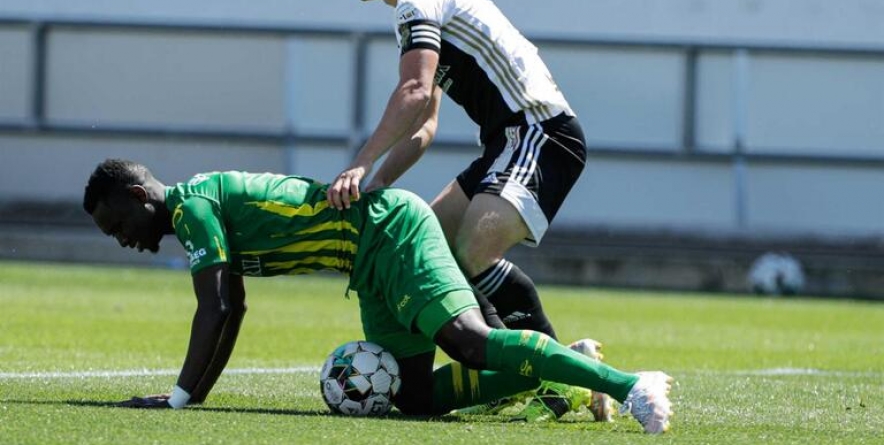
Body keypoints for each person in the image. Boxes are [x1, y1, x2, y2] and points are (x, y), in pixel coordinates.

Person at [82, 159, 673, 433]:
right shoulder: (197, 211)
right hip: (367, 263)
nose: (123, 241)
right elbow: (230, 308)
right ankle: (569, 372)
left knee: (468, 342)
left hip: (389, 232)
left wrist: (178, 402)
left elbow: (211, 307)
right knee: (414, 399)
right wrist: (195, 396)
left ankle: (631, 386)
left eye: (117, 226)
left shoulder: (193, 208)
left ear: (139, 194)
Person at [324, 0, 585, 347]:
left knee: (473, 252)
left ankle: (561, 376)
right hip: (507, 143)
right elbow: (423, 126)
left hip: (540, 133)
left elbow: (414, 91)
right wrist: (380, 181)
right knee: (436, 252)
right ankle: (518, 368)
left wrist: (360, 165)